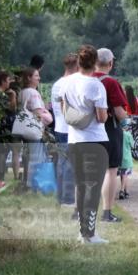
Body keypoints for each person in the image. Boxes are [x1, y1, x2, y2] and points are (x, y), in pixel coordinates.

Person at [62, 45, 110, 244]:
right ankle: (90, 234)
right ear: (95, 62)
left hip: (74, 140)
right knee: (93, 187)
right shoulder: (96, 85)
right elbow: (101, 117)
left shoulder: (67, 82)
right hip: (94, 141)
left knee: (81, 186)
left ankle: (82, 232)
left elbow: (64, 108)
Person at [94, 48, 128, 223]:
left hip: (87, 131)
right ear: (110, 63)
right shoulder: (110, 82)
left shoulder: (85, 80)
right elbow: (119, 112)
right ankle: (107, 212)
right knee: (110, 170)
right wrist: (126, 122)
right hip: (108, 128)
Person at [16, 66, 53, 193]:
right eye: (36, 76)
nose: (39, 78)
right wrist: (48, 116)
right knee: (37, 158)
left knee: (28, 157)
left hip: (24, 130)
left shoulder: (22, 92)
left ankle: (27, 184)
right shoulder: (34, 93)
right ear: (29, 78)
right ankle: (34, 186)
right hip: (34, 131)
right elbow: (38, 114)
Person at [50, 54, 79, 207]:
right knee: (70, 164)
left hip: (59, 127)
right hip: (70, 128)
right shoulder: (72, 83)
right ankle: (68, 198)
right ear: (77, 66)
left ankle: (60, 196)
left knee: (61, 163)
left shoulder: (56, 84)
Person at [0, 70, 18, 185]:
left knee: (0, 152)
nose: (9, 83)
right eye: (8, 80)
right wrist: (13, 96)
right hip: (4, 128)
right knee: (2, 152)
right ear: (2, 81)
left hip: (0, 127)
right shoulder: (2, 95)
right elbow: (12, 109)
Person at [118, 119, 134, 200]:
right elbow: (133, 145)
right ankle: (121, 190)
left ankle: (126, 191)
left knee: (123, 175)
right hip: (126, 158)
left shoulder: (117, 134)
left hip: (118, 158)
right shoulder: (128, 134)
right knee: (125, 174)